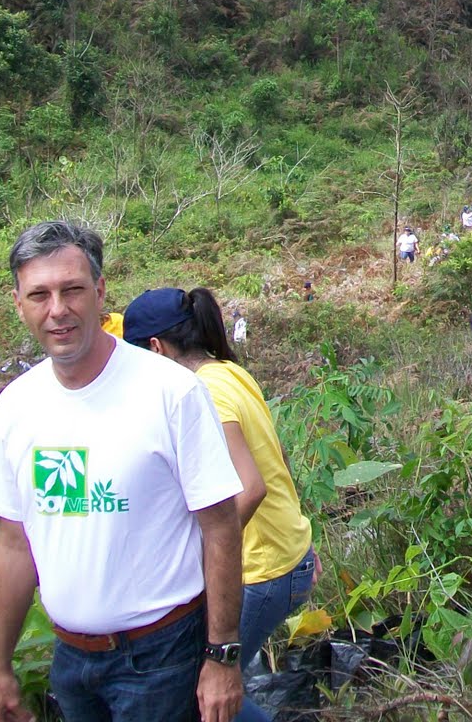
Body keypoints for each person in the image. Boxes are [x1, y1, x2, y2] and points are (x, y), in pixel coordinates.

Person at [0, 221, 245, 722]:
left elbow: (221, 525)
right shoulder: (14, 408)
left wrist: (222, 655)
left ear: (99, 292)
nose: (58, 309)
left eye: (72, 290)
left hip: (162, 656)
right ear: (18, 303)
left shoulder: (171, 392)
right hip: (71, 660)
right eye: (39, 295)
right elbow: (14, 544)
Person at [123, 288, 319, 722]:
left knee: (206, 694)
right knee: (212, 692)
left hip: (261, 570)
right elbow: (277, 460)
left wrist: (198, 558)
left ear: (155, 348)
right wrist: (300, 540)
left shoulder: (202, 391)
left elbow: (251, 488)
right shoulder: (229, 371)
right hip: (284, 557)